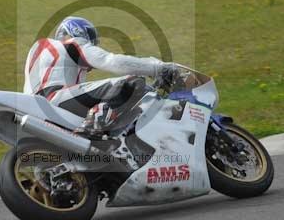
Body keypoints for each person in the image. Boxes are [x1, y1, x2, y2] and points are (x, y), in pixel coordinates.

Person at [24, 16, 177, 139]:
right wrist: (157, 68)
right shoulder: (71, 44)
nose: (91, 45)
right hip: (54, 99)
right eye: (91, 41)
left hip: (34, 108)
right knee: (132, 82)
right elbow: (111, 61)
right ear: (77, 33)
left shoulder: (43, 54)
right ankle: (93, 126)